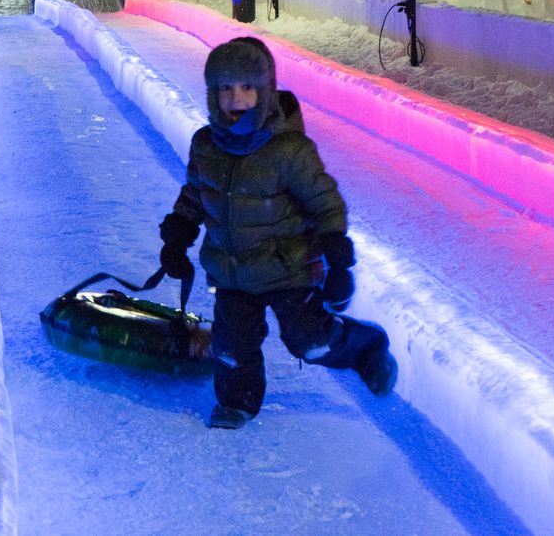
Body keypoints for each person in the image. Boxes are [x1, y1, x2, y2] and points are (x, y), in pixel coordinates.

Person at [157, 37, 397, 429]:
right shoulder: (206, 146)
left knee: (311, 343)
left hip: (289, 270)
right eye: (226, 88)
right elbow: (196, 195)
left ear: (265, 91)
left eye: (247, 87)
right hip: (232, 272)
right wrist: (177, 236)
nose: (237, 98)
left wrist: (337, 257)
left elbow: (326, 203)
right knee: (232, 348)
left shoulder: (290, 150)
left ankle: (365, 349)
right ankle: (238, 402)